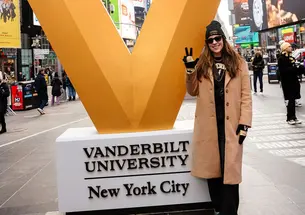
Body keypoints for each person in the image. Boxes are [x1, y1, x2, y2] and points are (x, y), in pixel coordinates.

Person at [183, 20, 252, 215]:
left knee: (230, 172)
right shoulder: (203, 65)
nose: (214, 42)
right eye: (210, 40)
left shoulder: (239, 63)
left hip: (231, 126)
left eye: (217, 38)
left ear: (223, 39)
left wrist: (245, 123)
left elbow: (246, 96)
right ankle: (218, 208)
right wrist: (190, 70)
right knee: (213, 171)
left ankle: (229, 211)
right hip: (209, 126)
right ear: (207, 43)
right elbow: (193, 90)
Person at [278, 42, 302, 125]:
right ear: (285, 48)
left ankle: (294, 117)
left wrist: (300, 68)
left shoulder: (291, 57)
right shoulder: (282, 58)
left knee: (293, 100)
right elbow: (283, 71)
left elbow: (295, 70)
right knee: (290, 101)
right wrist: (294, 68)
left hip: (294, 81)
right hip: (287, 82)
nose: (291, 48)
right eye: (289, 46)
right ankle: (289, 118)